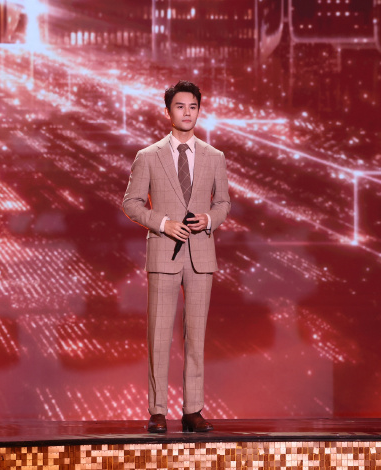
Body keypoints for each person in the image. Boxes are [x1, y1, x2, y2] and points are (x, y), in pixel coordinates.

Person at [122, 80, 231, 433]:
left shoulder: (214, 157)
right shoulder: (148, 156)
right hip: (163, 252)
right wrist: (163, 223)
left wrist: (209, 219)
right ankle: (157, 411)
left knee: (196, 336)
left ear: (199, 111)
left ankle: (192, 410)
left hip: (201, 254)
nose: (187, 112)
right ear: (168, 111)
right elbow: (131, 203)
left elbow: (223, 202)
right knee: (159, 335)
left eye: (193, 106)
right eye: (180, 106)